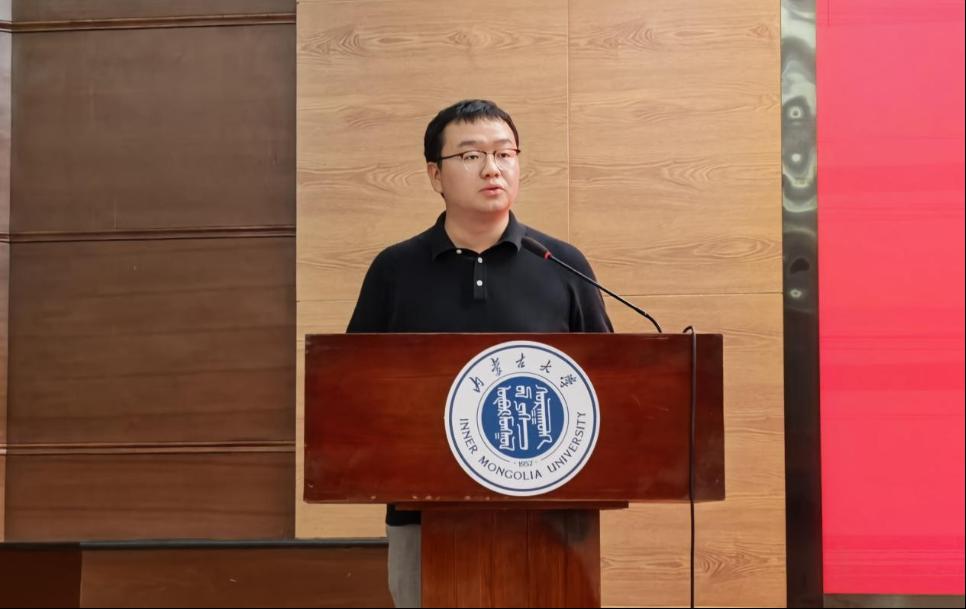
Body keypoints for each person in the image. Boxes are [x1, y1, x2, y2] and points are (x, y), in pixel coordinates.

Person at [346, 99, 612, 608]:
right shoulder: (395, 271)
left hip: (552, 517)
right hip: (424, 514)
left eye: (504, 153)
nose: (492, 168)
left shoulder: (562, 265)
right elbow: (354, 389)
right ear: (435, 175)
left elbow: (608, 385)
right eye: (471, 156)